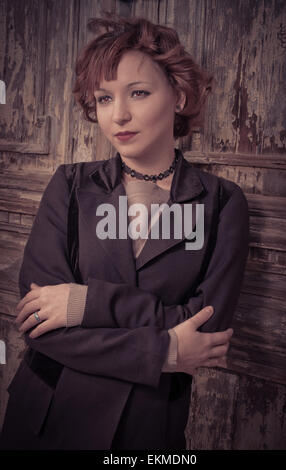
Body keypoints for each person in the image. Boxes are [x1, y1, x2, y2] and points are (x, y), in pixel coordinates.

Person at [0, 13, 249, 450]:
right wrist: (166, 352)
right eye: (103, 99)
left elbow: (205, 331)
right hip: (45, 418)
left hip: (144, 429)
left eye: (138, 92)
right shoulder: (70, 184)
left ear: (178, 95)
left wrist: (84, 302)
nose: (119, 115)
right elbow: (40, 322)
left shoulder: (224, 202)